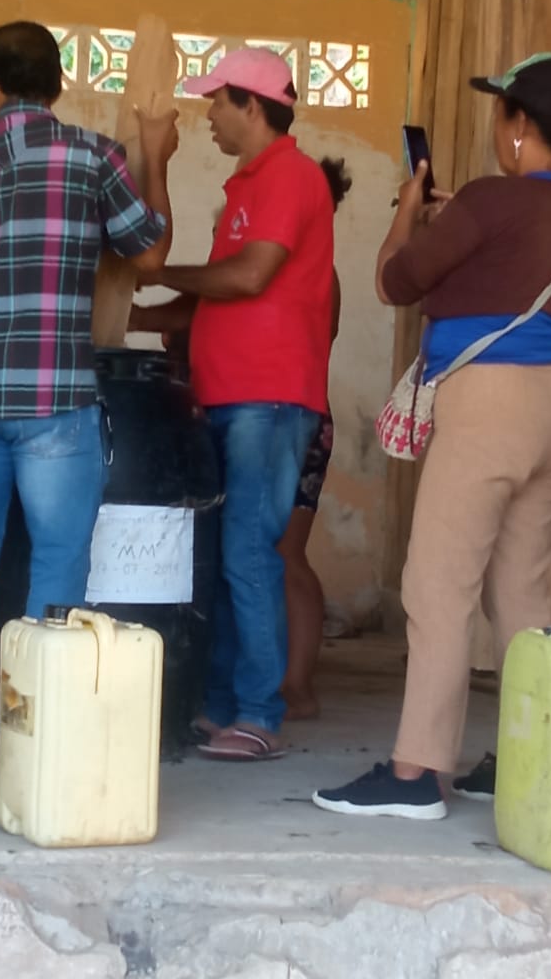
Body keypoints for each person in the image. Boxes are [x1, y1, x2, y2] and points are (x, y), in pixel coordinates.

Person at [312, 52, 551, 818]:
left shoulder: (489, 200)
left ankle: (416, 772)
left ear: (520, 126)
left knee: (437, 583)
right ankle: (529, 761)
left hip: (489, 406)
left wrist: (411, 213)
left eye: (501, 113)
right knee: (525, 592)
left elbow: (395, 280)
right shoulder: (498, 210)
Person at [0, 21, 178, 774]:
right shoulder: (91, 155)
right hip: (53, 396)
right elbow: (149, 254)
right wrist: (158, 162)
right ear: (59, 84)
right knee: (59, 564)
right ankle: (34, 735)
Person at [131, 47, 334, 760]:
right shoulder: (247, 184)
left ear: (251, 104)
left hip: (267, 396)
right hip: (228, 394)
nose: (209, 114)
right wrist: (135, 311)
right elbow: (213, 297)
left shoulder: (290, 175)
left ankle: (258, 714)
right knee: (223, 554)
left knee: (248, 551)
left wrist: (157, 270)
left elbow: (248, 277)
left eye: (217, 100)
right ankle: (220, 708)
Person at [279, 157, 351, 721]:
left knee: (285, 554)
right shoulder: (305, 265)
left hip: (298, 417)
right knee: (275, 554)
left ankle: (299, 685)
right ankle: (289, 679)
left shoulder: (313, 271)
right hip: (294, 415)